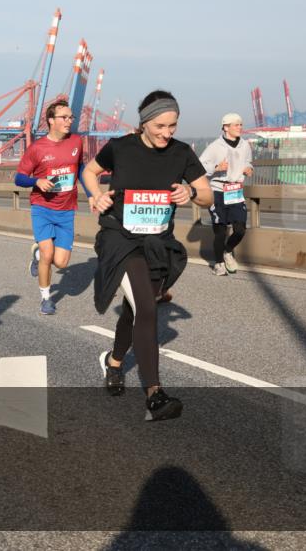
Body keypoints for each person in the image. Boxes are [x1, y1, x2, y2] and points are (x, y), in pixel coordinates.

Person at [82, 90, 212, 422]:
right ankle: (155, 395)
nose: (167, 133)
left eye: (173, 125)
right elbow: (89, 172)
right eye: (160, 125)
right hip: (120, 238)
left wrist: (192, 192)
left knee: (135, 309)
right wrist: (96, 196)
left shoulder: (181, 153)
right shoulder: (121, 147)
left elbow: (208, 195)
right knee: (147, 307)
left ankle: (113, 361)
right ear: (144, 122)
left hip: (157, 243)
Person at [13, 99, 87, 315]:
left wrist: (92, 194)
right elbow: (19, 178)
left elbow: (81, 168)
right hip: (42, 208)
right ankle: (46, 299)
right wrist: (36, 182)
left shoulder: (76, 142)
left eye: (71, 117)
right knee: (48, 255)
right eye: (64, 117)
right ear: (51, 121)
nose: (69, 121)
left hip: (66, 210)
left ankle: (36, 254)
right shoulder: (37, 148)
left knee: (61, 263)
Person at [199, 113, 253, 275]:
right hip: (218, 191)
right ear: (226, 127)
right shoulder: (215, 146)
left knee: (240, 229)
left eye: (240, 125)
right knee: (221, 230)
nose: (240, 127)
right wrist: (216, 167)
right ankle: (219, 263)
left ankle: (228, 251)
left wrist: (249, 168)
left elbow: (248, 162)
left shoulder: (245, 145)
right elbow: (200, 166)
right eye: (236, 125)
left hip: (235, 190)